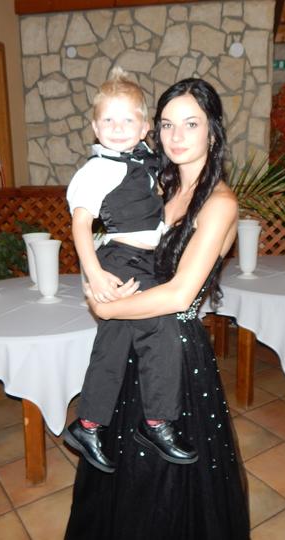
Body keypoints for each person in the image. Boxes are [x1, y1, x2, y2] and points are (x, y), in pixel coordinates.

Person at [65, 78, 250, 540]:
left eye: (191, 124)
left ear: (213, 132)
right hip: (134, 344)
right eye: (167, 124)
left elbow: (179, 295)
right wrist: (99, 279)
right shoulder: (158, 187)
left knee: (166, 485)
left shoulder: (220, 203)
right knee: (124, 477)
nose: (176, 136)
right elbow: (112, 239)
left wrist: (108, 310)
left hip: (174, 353)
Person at [64, 67, 198, 474]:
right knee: (162, 331)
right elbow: (80, 225)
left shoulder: (147, 163)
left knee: (114, 343)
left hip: (143, 259)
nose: (118, 128)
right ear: (94, 127)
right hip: (120, 260)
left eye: (127, 120)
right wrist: (94, 274)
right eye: (108, 120)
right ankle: (157, 421)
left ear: (144, 128)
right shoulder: (96, 170)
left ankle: (88, 425)